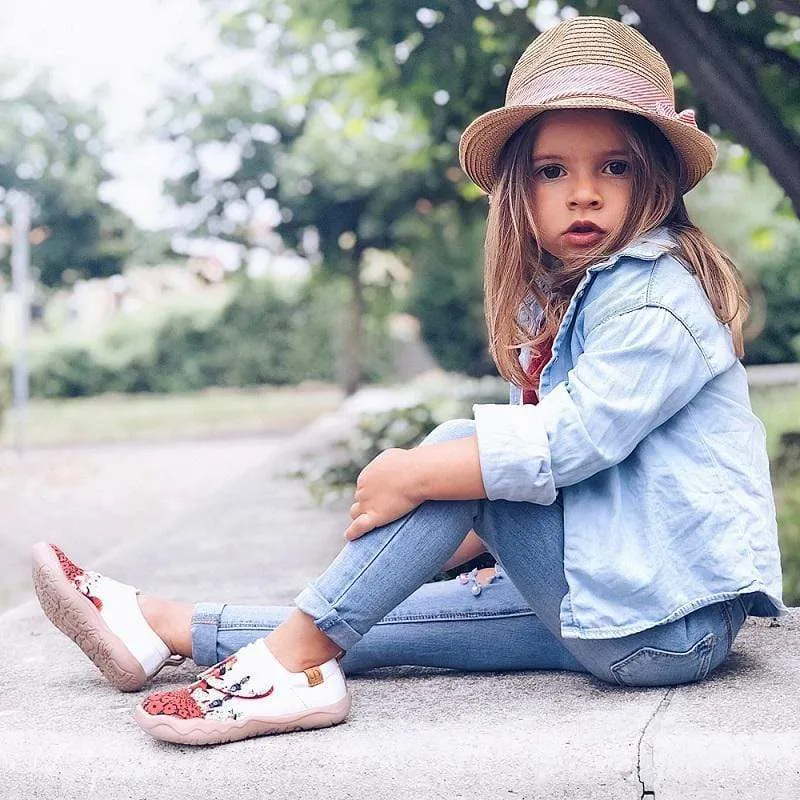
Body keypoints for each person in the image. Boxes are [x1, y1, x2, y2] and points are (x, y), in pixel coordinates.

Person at [32, 15, 787, 747]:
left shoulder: (656, 297)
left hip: (669, 629)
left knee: (463, 447)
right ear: (518, 193)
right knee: (380, 616)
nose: (582, 192)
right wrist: (435, 537)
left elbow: (570, 442)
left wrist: (421, 474)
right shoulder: (588, 292)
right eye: (552, 171)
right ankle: (164, 625)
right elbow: (606, 474)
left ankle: (286, 667)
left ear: (654, 175)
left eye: (612, 166)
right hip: (635, 605)